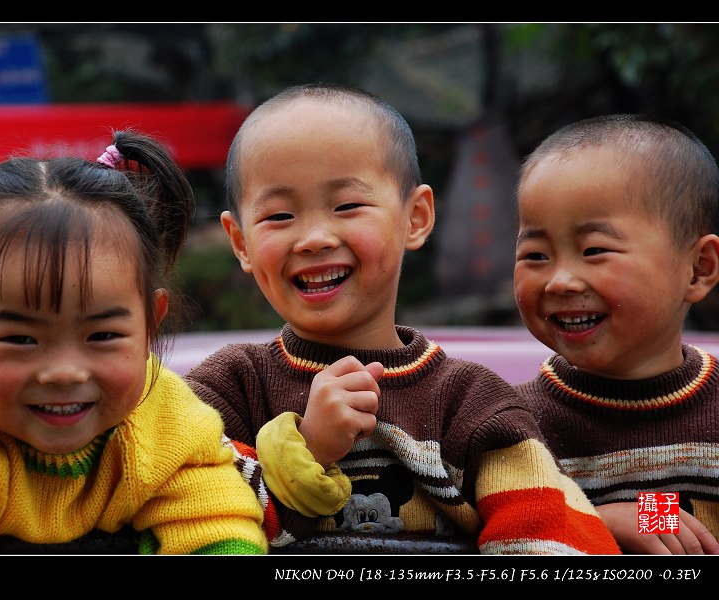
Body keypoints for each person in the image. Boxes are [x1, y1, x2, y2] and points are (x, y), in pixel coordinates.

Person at [185, 82, 621, 555]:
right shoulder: (227, 390)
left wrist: (640, 511)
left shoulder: (470, 403)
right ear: (241, 241)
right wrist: (305, 451)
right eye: (279, 216)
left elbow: (548, 534)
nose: (313, 237)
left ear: (415, 217)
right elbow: (188, 521)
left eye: (347, 205)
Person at [0, 125, 267, 554]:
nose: (64, 372)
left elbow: (214, 519)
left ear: (148, 329)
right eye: (20, 339)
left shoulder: (165, 417)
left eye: (102, 335)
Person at [513, 113, 719, 555]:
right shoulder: (507, 421)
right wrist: (599, 522)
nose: (560, 281)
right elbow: (489, 539)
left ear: (698, 268)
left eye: (594, 250)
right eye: (535, 254)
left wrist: (646, 514)